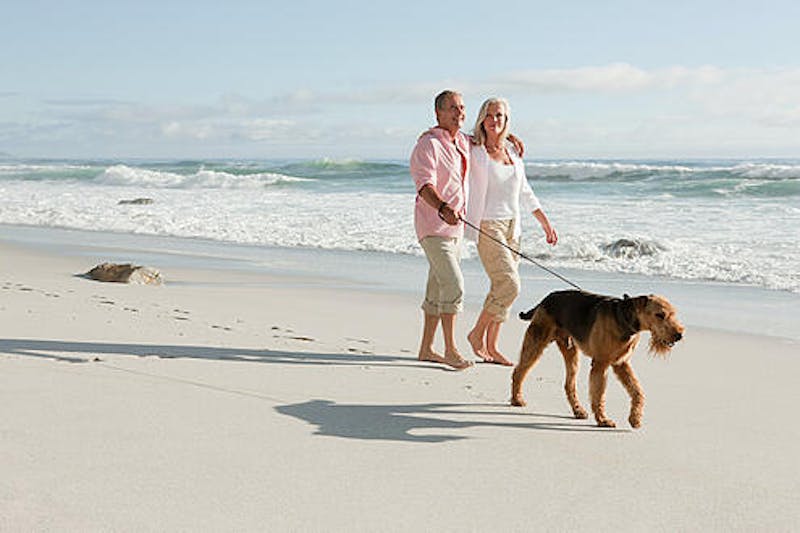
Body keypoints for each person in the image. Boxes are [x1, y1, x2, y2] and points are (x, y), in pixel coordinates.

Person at [465, 97, 558, 366]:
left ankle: (492, 347)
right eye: (491, 115)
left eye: (501, 116)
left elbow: (525, 192)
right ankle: (476, 334)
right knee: (510, 284)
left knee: (499, 287)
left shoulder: (513, 152)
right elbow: (453, 136)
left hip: (512, 226)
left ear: (507, 121)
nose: (495, 120)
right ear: (482, 118)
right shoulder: (474, 149)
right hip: (487, 224)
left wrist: (545, 222)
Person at [409, 90, 473, 370]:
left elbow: (487, 141)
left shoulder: (461, 141)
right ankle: (450, 349)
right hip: (433, 226)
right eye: (452, 108)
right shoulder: (428, 144)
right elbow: (424, 185)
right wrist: (443, 207)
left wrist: (510, 138)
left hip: (455, 230)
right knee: (454, 285)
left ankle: (426, 349)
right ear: (438, 113)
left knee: (436, 288)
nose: (459, 112)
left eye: (461, 107)